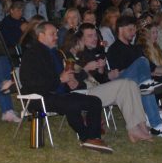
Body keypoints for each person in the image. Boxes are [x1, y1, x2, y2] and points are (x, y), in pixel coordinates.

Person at [18, 21, 113, 153]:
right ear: (41, 36)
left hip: (58, 94)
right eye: (52, 34)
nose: (56, 37)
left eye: (56, 34)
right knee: (71, 104)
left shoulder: (56, 53)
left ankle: (94, 137)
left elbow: (63, 78)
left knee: (94, 101)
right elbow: (32, 83)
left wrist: (70, 81)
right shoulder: (32, 54)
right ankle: (87, 138)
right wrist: (59, 80)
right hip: (40, 96)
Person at [73, 22, 162, 139]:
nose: (94, 38)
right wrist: (86, 68)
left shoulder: (98, 53)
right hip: (92, 91)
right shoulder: (77, 54)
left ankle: (145, 126)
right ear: (81, 38)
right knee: (141, 65)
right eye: (90, 36)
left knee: (137, 81)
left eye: (95, 35)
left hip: (108, 85)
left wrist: (106, 73)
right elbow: (74, 82)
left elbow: (102, 79)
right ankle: (154, 122)